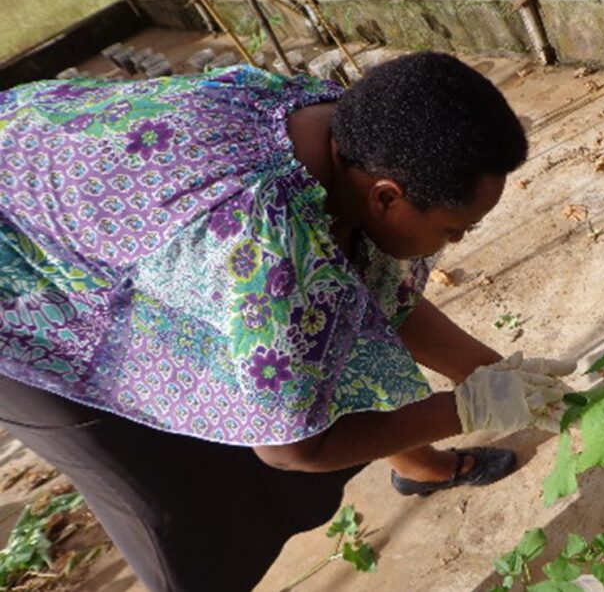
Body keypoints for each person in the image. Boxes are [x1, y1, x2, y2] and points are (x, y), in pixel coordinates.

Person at [0, 52, 572, 591]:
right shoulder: (269, 255)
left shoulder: (332, 122)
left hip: (49, 142)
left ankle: (417, 465)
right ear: (386, 196)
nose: (460, 240)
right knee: (166, 497)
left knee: (325, 322)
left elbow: (366, 290)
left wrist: (491, 372)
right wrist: (468, 407)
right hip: (23, 284)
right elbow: (293, 450)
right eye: (455, 230)